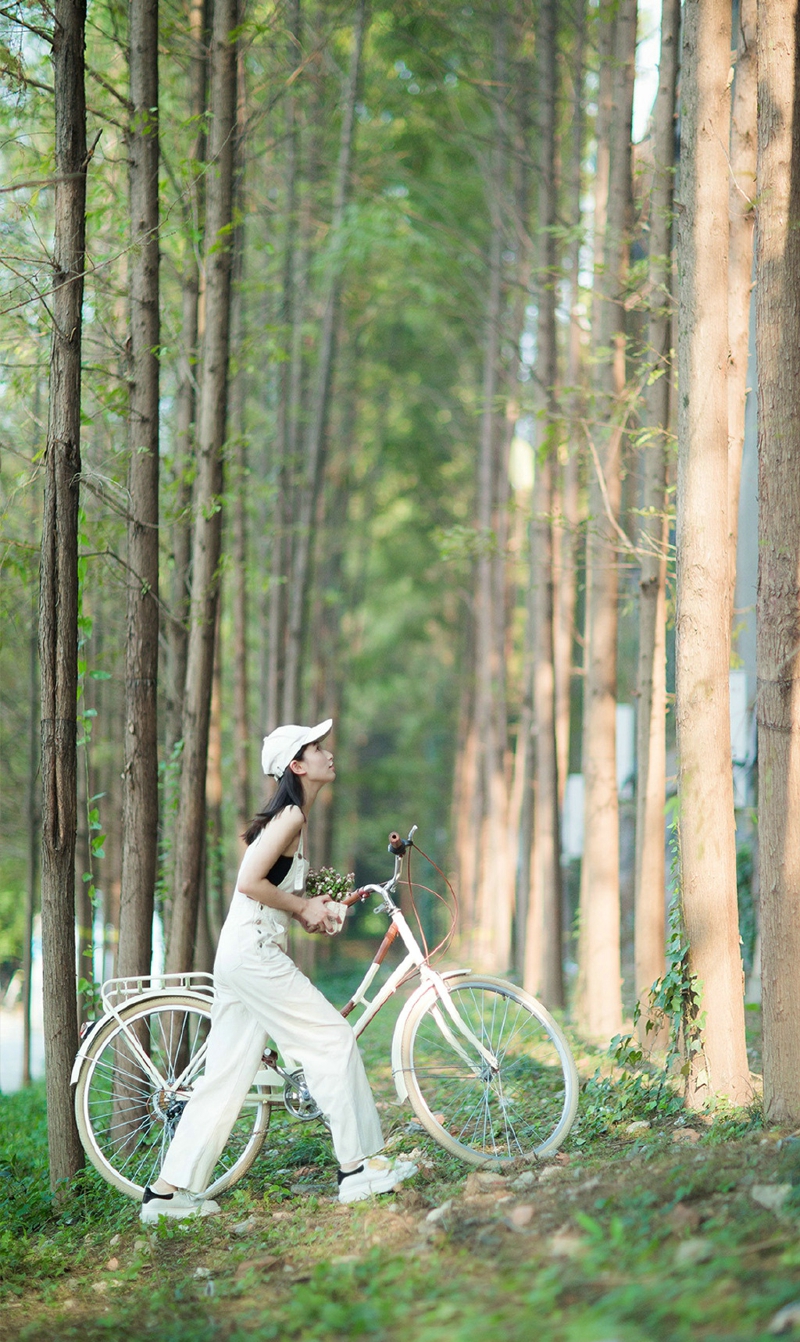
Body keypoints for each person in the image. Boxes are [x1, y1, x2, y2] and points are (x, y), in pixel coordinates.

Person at [141, 719, 416, 1221]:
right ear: (297, 764)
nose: (328, 755)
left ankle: (167, 1193)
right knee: (333, 1040)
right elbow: (248, 882)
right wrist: (300, 907)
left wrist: (311, 909)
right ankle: (357, 1170)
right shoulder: (291, 816)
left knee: (224, 1076)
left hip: (242, 952)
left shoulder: (291, 818)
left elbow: (268, 889)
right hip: (252, 955)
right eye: (317, 748)